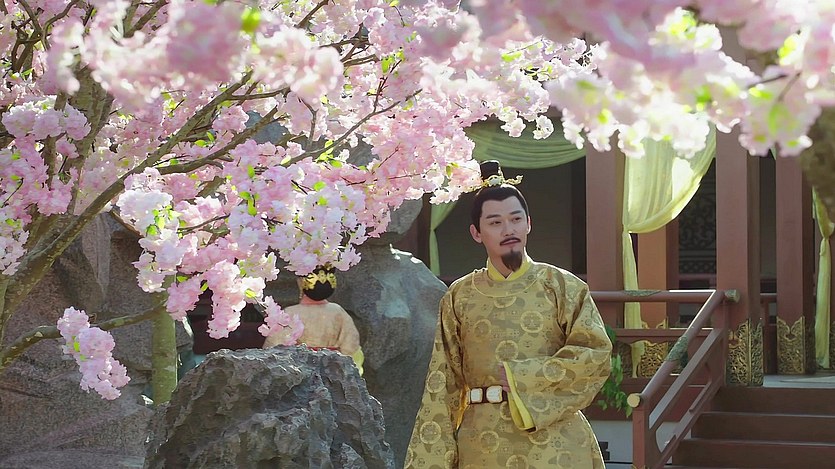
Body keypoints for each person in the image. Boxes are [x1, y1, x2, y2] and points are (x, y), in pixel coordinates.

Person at [405, 160, 612, 469]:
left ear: (528, 224)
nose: (508, 230)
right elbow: (442, 381)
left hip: (555, 443)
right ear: (477, 233)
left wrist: (523, 376)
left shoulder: (562, 286)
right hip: (481, 444)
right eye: (495, 222)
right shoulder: (460, 296)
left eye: (516, 219)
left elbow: (595, 354)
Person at [263, 264, 364, 375]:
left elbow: (275, 346)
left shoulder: (291, 312)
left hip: (299, 369)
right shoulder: (338, 311)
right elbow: (351, 345)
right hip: (332, 370)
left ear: (301, 283)